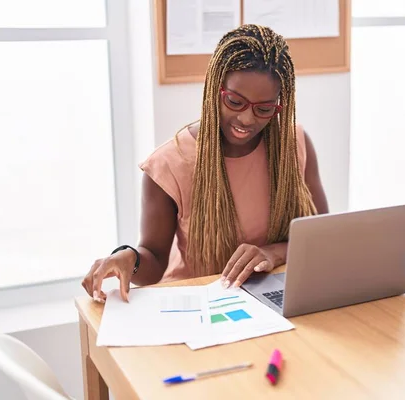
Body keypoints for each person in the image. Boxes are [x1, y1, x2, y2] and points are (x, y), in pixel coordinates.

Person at [81, 24, 329, 303]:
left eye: (264, 109)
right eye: (235, 102)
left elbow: (321, 235)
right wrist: (129, 258)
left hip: (271, 299)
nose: (247, 119)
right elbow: (155, 261)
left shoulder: (294, 143)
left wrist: (273, 252)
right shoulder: (169, 165)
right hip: (197, 303)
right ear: (215, 88)